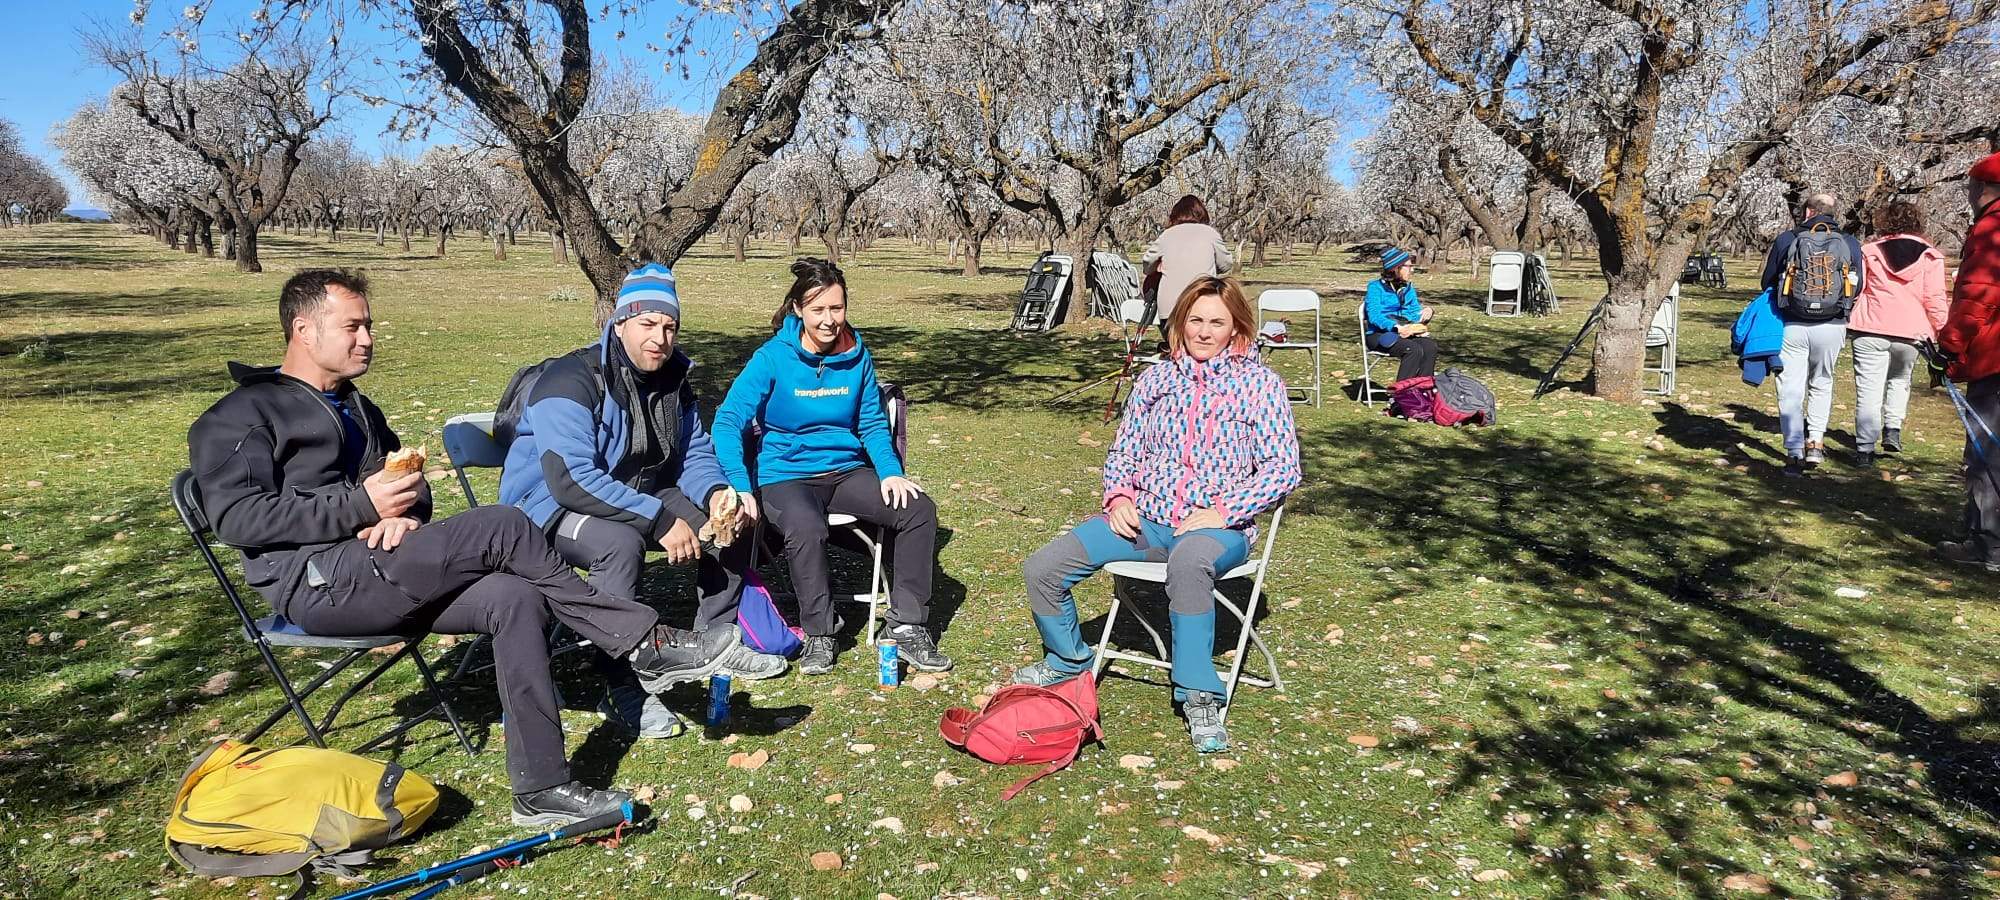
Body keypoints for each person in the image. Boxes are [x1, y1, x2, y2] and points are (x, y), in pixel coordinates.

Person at [187, 269, 737, 827]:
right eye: (352, 327)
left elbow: (409, 490)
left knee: (514, 596)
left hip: (381, 566)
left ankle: (541, 789)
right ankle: (642, 641)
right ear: (303, 330)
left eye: (369, 326)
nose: (368, 339)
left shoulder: (358, 409)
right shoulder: (241, 416)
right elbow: (235, 519)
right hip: (317, 584)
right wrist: (361, 508)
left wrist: (403, 514)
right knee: (503, 524)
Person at [498, 263, 786, 742]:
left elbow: (692, 451)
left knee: (733, 525)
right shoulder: (569, 380)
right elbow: (571, 480)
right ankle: (619, 685)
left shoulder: (673, 379)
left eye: (669, 326)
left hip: (636, 486)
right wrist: (657, 519)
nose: (660, 337)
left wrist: (716, 493)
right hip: (546, 504)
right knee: (619, 542)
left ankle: (707, 645)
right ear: (621, 322)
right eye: (648, 323)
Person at [1012, 276, 1300, 754]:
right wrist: (1120, 495)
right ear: (1180, 323)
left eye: (1217, 322)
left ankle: (1199, 693)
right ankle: (1068, 660)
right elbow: (1125, 450)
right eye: (1196, 320)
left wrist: (1224, 511)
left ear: (1236, 329)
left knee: (1188, 566)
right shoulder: (1156, 379)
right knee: (1043, 567)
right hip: (1146, 520)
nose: (1205, 331)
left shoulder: (1260, 385)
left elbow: (1283, 468)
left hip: (1218, 529)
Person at [711, 258, 950, 676]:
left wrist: (891, 471)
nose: (829, 320)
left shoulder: (858, 356)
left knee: (918, 510)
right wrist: (740, 485)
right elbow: (728, 420)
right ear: (799, 310)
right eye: (818, 310)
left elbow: (872, 422)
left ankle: (908, 627)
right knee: (806, 526)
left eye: (836, 309)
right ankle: (819, 632)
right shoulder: (772, 358)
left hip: (844, 471)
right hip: (785, 475)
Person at [1761, 192, 1865, 476]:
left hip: (1792, 323)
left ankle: (1794, 450)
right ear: (1834, 213)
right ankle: (1816, 442)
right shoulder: (1849, 242)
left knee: (1790, 386)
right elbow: (1859, 284)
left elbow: (1766, 281)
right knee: (1822, 382)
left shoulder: (1787, 238)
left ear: (1807, 212)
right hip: (1832, 325)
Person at [1848, 202, 1949, 466]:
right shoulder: (1931, 257)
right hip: (1911, 330)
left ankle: (1864, 448)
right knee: (1900, 379)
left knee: (1868, 389)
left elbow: (1858, 289)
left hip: (1871, 326)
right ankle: (1892, 428)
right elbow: (1935, 299)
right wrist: (1942, 332)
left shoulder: (1869, 252)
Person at [1936, 152, 2000, 571]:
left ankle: (1988, 544)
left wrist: (1951, 345)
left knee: (1986, 453)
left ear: (1981, 189)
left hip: (1995, 361)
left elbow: (1978, 294)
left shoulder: (1992, 230)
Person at [1141, 194, 1233, 332]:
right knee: (1203, 348)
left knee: (1175, 350)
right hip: (1202, 305)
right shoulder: (1210, 234)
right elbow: (1226, 265)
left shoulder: (1167, 235)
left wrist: (1159, 266)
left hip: (1170, 309)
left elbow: (1147, 264)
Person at [1363, 247, 1438, 380]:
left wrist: (1426, 313)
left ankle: (1422, 390)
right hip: (1379, 334)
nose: (1412, 270)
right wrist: (1396, 327)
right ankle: (1402, 395)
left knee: (1429, 346)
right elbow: (1374, 316)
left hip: (1405, 331)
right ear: (1396, 268)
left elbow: (1412, 313)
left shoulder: (1408, 288)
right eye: (1408, 266)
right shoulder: (1375, 287)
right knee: (1412, 350)